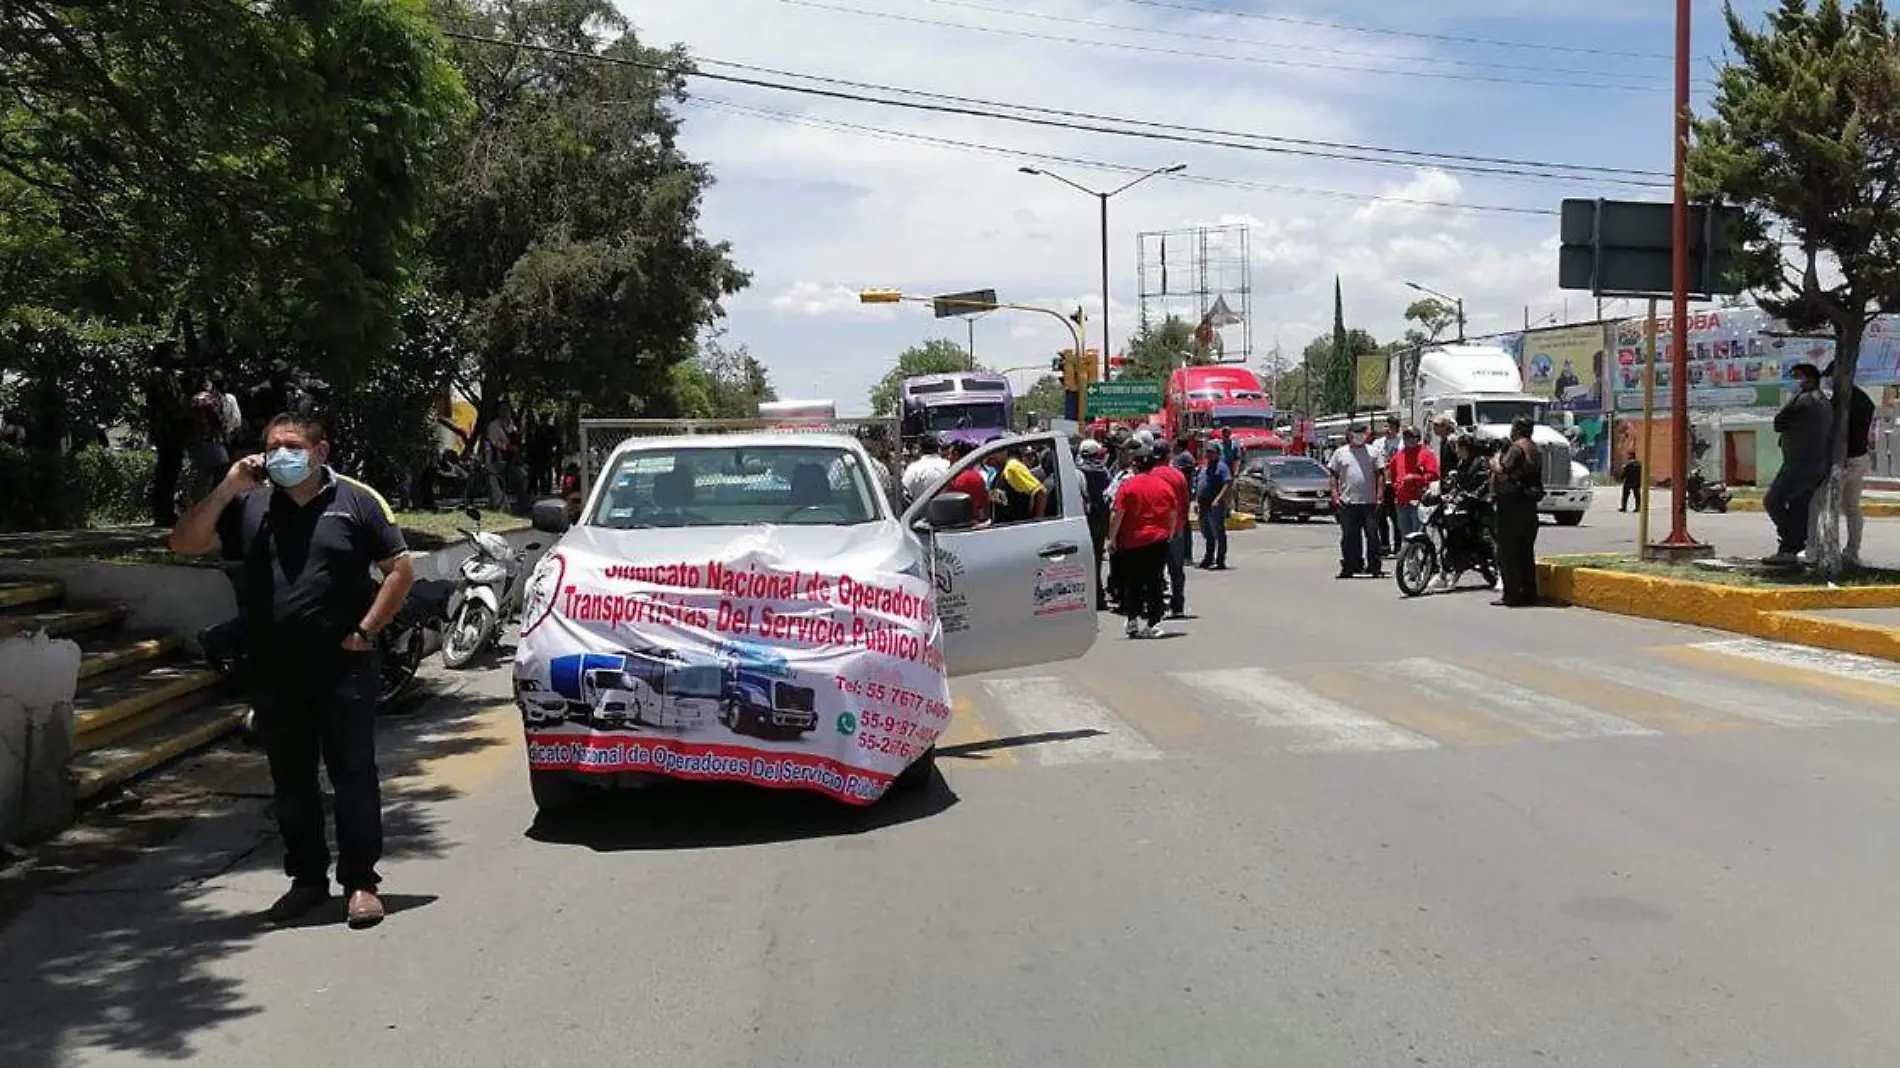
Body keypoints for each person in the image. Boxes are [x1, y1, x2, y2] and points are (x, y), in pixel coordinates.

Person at [166, 413, 414, 929]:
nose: (281, 455)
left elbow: (400, 571)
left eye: (293, 445)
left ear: (320, 450)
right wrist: (226, 486)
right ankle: (306, 880)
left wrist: (365, 632)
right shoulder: (249, 505)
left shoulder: (357, 500)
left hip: (343, 665)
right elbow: (184, 543)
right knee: (291, 782)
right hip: (275, 668)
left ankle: (361, 882)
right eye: (272, 446)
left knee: (353, 774)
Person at [1764, 362, 1834, 565]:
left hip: (1798, 464)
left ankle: (1790, 542)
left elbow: (1778, 423)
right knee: (1798, 507)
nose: (1794, 382)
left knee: (1772, 501)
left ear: (1809, 379)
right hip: (1815, 464)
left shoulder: (1803, 400)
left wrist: (1794, 397)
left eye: (1798, 377)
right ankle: (1793, 548)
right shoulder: (1822, 401)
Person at [1108, 438, 1174, 639]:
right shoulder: (1164, 486)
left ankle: (1132, 620)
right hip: (1158, 541)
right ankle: (1152, 622)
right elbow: (1173, 514)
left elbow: (1117, 514)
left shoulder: (1127, 486)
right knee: (1155, 582)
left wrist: (1111, 539)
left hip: (1133, 542)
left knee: (1133, 582)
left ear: (1135, 464)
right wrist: (1169, 535)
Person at [1489, 416, 1544, 607]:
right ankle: (1529, 592)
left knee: (1507, 552)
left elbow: (1503, 473)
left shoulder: (1516, 448)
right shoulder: (1535, 449)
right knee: (1525, 552)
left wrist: (1495, 459)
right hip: (1528, 507)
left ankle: (1512, 595)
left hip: (1511, 506)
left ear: (1517, 429)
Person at [1327, 425, 1383, 579]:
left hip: (1369, 502)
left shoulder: (1373, 452)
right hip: (1347, 502)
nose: (1360, 436)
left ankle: (1374, 566)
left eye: (1362, 433)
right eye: (1357, 433)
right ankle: (1351, 566)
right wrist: (1335, 495)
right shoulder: (1340, 453)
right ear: (1350, 435)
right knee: (1349, 537)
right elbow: (1333, 475)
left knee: (1372, 536)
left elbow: (1380, 475)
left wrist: (1379, 496)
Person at [1154, 439, 1191, 617]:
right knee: (1176, 570)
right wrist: (1181, 524)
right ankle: (1178, 605)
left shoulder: (1150, 475)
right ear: (1169, 455)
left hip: (1155, 530)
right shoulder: (1178, 476)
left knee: (1156, 568)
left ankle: (1157, 604)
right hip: (1176, 529)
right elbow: (1185, 503)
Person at [188, 376, 235, 504]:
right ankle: (217, 503)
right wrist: (223, 429)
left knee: (203, 474)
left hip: (198, 441)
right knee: (221, 472)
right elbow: (215, 420)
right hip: (211, 440)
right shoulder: (206, 399)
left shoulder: (193, 399)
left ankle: (198, 503)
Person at [1077, 439, 1113, 610]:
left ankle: (1091, 596)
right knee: (1097, 558)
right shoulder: (1104, 472)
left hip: (1086, 519)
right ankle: (1098, 597)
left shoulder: (1078, 471)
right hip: (1102, 519)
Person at [1389, 426, 1440, 541]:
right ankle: (1410, 559)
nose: (1410, 440)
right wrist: (1396, 487)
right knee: (1405, 536)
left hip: (1418, 501)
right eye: (1406, 437)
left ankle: (1423, 557)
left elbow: (1434, 474)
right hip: (1401, 502)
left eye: (1413, 437)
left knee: (1418, 534)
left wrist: (1416, 478)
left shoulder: (1426, 454)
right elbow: (1392, 475)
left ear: (1418, 438)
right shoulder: (1398, 455)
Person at [984, 445, 1048, 522]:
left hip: (1017, 527)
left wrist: (1038, 521)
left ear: (1003, 452)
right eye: (985, 460)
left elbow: (1041, 492)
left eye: (990, 458)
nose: (987, 463)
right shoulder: (999, 472)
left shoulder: (1012, 467)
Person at [1195, 444, 1232, 570]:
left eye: (1211, 452)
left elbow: (1227, 482)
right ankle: (1208, 557)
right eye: (1207, 452)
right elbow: (1199, 483)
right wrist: (1196, 501)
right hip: (1203, 504)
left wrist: (1218, 499)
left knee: (1218, 532)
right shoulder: (1205, 467)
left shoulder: (1221, 467)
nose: (1208, 454)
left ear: (1217, 454)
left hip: (1214, 504)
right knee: (1206, 532)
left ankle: (1220, 559)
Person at [1369, 415, 1402, 556]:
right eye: (1386, 426)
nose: (1388, 430)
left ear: (1397, 429)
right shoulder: (1377, 443)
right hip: (1382, 483)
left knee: (1396, 517)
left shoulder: (1401, 443)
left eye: (1391, 427)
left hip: (1395, 484)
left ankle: (1399, 546)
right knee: (1380, 515)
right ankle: (1384, 545)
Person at [943, 441, 992, 525]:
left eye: (950, 454)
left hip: (963, 525)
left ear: (956, 455)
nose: (948, 457)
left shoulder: (961, 477)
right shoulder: (975, 475)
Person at [902, 432, 952, 505]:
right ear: (938, 449)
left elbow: (906, 493)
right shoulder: (949, 465)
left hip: (919, 513)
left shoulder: (913, 468)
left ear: (920, 449)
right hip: (946, 511)